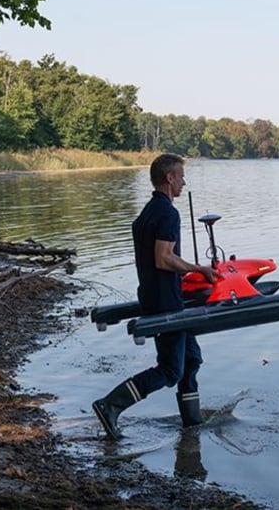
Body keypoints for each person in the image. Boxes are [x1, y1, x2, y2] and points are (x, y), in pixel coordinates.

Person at [92, 153, 219, 440]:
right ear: (169, 178)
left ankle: (192, 425)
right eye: (181, 176)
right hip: (165, 301)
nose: (184, 182)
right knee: (171, 370)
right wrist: (198, 268)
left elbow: (156, 260)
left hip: (156, 293)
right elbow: (164, 259)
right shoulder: (168, 213)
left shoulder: (148, 211)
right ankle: (110, 405)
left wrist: (186, 275)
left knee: (191, 360)